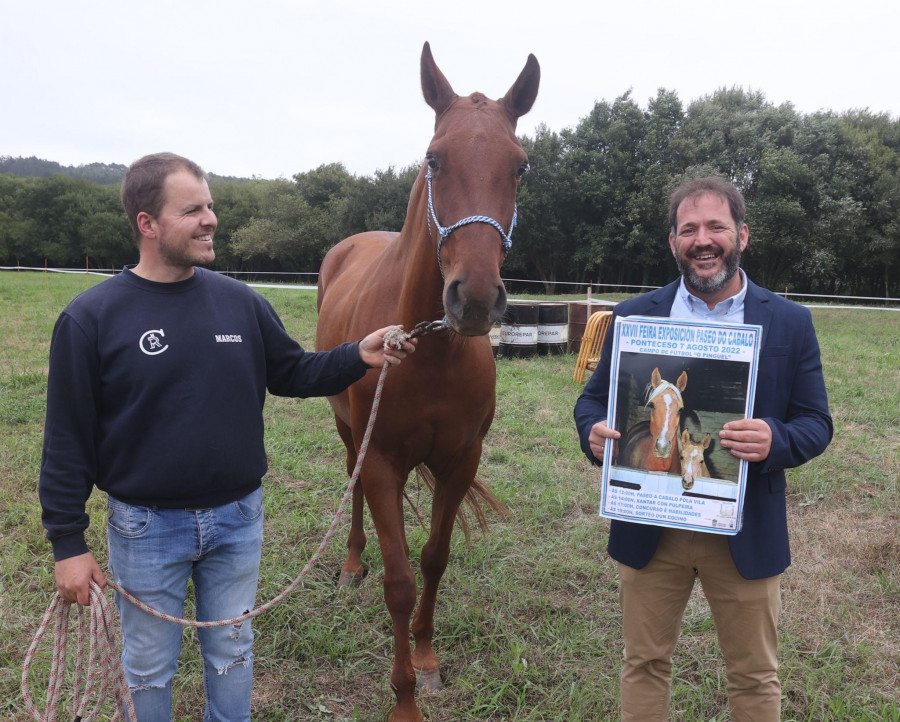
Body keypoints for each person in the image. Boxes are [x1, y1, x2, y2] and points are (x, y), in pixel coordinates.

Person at [38, 152, 416, 722]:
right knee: (146, 665)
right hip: (145, 529)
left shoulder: (239, 303)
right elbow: (66, 440)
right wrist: (68, 544)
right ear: (147, 223)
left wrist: (355, 356)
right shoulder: (92, 318)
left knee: (232, 654)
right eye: (192, 209)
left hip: (239, 520)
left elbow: (292, 372)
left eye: (210, 205)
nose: (210, 218)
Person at [574, 176, 833, 721]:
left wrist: (775, 438)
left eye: (716, 226)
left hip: (742, 530)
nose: (703, 239)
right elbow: (591, 402)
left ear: (742, 234)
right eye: (688, 229)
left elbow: (816, 422)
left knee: (754, 674)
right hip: (651, 527)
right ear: (673, 242)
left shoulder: (789, 322)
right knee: (643, 662)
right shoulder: (633, 316)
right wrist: (594, 432)